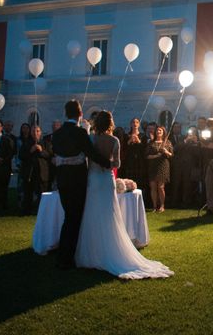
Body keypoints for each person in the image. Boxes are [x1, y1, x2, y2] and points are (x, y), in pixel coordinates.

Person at [71, 110, 173, 279]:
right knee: (109, 214)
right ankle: (111, 249)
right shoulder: (114, 140)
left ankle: (92, 252)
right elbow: (117, 163)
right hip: (106, 179)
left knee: (92, 213)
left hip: (93, 179)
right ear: (110, 123)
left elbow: (85, 159)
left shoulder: (90, 139)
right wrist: (107, 163)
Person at [51, 100, 111, 270]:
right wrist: (108, 163)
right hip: (77, 180)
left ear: (66, 113)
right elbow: (91, 153)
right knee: (74, 218)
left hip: (62, 179)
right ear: (80, 114)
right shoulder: (79, 133)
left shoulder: (57, 134)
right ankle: (66, 258)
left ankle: (64, 254)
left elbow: (57, 154)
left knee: (68, 216)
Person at [19, 125, 53, 215]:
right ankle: (26, 211)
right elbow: (21, 156)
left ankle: (42, 212)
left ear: (40, 132)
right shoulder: (26, 143)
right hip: (30, 173)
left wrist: (41, 151)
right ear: (30, 133)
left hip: (42, 173)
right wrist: (30, 151)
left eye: (37, 131)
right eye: (33, 131)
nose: (35, 133)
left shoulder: (46, 143)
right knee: (28, 194)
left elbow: (50, 155)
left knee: (42, 194)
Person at [145, 126, 173, 213]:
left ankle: (162, 205)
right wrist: (155, 156)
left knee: (161, 187)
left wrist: (166, 152)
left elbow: (171, 155)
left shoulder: (167, 142)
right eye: (157, 130)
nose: (158, 131)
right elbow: (146, 155)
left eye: (160, 130)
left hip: (163, 166)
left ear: (163, 132)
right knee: (153, 187)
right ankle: (154, 206)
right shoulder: (151, 143)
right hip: (153, 166)